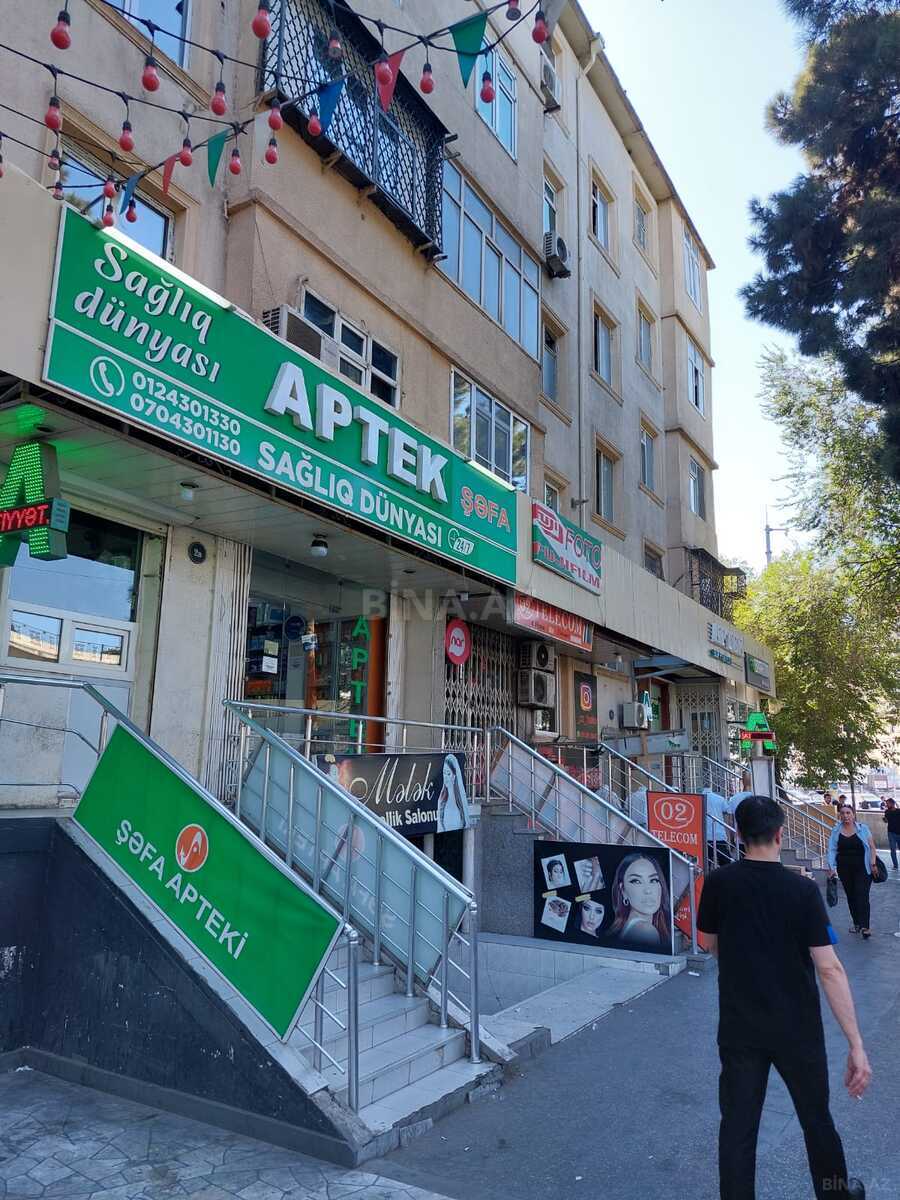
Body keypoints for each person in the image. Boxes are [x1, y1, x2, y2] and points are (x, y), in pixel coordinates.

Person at [698, 795, 870, 1200]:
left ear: (738, 835)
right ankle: (836, 1193)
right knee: (816, 1120)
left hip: (740, 1026)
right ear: (780, 834)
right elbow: (829, 969)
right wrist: (856, 1044)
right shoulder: (802, 891)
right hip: (798, 1029)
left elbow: (707, 942)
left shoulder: (719, 882)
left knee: (738, 1127)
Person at [828, 804, 878, 938]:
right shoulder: (836, 830)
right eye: (842, 813)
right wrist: (831, 867)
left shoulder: (863, 828)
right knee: (851, 896)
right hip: (844, 868)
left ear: (853, 814)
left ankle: (865, 927)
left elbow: (872, 847)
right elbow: (832, 849)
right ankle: (857, 923)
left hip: (863, 867)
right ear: (840, 815)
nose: (845, 816)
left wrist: (873, 863)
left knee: (862, 895)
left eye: (848, 813)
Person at [608, 853, 671, 949]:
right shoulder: (645, 931)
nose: (648, 890)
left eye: (653, 880)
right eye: (636, 881)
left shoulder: (630, 927)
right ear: (623, 890)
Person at [704, 787, 735, 869]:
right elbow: (728, 813)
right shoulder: (720, 799)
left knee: (705, 864)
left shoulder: (698, 799)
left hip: (704, 836)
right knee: (725, 863)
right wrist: (729, 838)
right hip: (719, 835)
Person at [436, 754, 468, 832]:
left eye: (448, 773)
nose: (445, 777)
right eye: (444, 773)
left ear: (454, 776)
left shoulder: (460, 803)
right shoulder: (441, 801)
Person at [882, 798, 900, 871]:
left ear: (893, 803)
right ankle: (895, 865)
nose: (887, 805)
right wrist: (884, 820)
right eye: (886, 804)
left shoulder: (899, 811)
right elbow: (886, 821)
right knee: (892, 850)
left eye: (888, 803)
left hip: (899, 833)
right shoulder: (887, 811)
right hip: (891, 833)